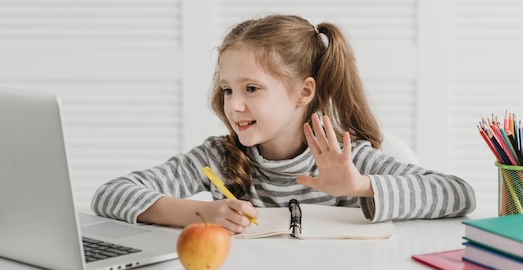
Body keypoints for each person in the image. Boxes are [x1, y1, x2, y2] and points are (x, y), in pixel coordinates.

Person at [91, 14, 476, 234]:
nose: (233, 105)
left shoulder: (347, 157)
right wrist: (202, 213)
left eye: (252, 88)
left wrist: (359, 185)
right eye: (227, 89)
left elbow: (459, 194)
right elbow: (110, 194)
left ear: (303, 92)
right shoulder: (218, 157)